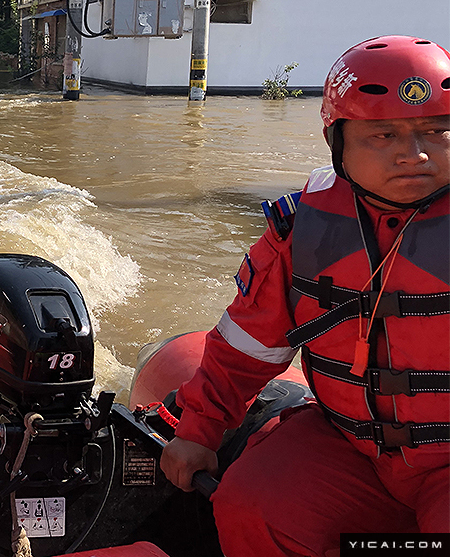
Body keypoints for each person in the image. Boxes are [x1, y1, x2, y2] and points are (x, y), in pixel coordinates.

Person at [160, 35, 450, 556]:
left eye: (436, 130)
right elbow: (247, 345)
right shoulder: (302, 228)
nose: (415, 155)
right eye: (382, 135)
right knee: (253, 505)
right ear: (338, 143)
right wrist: (198, 430)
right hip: (352, 447)